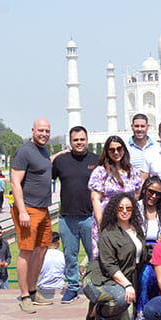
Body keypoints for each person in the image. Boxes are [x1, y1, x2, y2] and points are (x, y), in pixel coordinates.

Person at [83, 193, 148, 320]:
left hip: (121, 280)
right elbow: (109, 265)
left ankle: (97, 308)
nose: (125, 211)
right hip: (101, 278)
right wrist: (128, 285)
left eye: (129, 208)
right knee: (120, 299)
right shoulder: (108, 233)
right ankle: (101, 317)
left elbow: (142, 254)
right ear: (114, 210)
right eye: (120, 208)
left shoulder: (137, 229)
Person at [10, 118, 55, 313]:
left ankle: (33, 289)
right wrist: (22, 211)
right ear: (33, 130)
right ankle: (25, 295)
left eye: (47, 131)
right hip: (28, 208)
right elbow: (15, 182)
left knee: (41, 249)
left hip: (43, 208)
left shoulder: (44, 151)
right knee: (27, 251)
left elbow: (43, 168)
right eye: (41, 130)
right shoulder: (25, 151)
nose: (44, 134)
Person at [51, 125, 99, 304]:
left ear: (87, 140)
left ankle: (95, 284)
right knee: (70, 255)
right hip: (67, 216)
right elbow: (45, 174)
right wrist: (56, 155)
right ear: (70, 142)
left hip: (90, 216)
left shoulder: (96, 160)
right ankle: (72, 287)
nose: (79, 143)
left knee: (94, 255)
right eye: (75, 140)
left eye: (82, 139)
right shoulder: (62, 161)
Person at [88, 135, 142, 258]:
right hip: (108, 220)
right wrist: (102, 223)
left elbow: (136, 196)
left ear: (124, 150)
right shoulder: (101, 172)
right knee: (109, 256)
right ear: (107, 152)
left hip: (127, 218)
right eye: (112, 150)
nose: (116, 152)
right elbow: (95, 199)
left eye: (119, 149)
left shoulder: (132, 171)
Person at [136, 176, 161, 313]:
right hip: (140, 252)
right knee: (146, 274)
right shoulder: (136, 208)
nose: (154, 196)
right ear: (144, 190)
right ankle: (141, 310)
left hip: (159, 253)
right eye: (151, 191)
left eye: (158, 194)